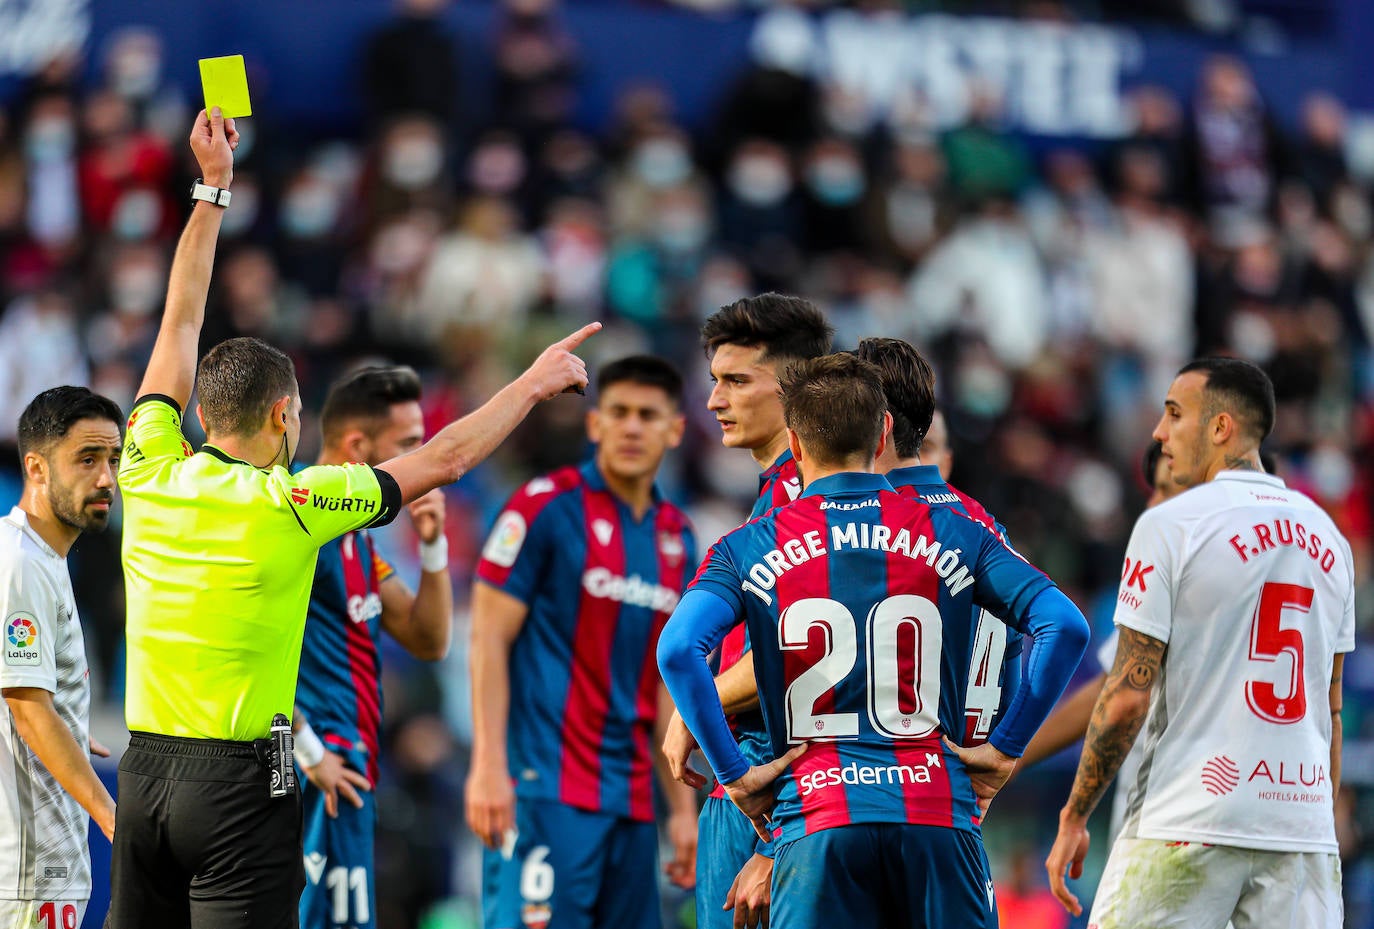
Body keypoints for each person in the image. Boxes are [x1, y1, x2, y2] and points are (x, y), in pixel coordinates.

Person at [107, 109, 597, 929]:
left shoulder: (147, 461)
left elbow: (180, 320)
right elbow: (441, 460)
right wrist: (532, 384)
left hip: (144, 772)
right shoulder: (294, 503)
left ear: (202, 410)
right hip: (238, 782)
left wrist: (211, 191)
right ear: (282, 417)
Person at [659, 353, 1089, 929]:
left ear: (795, 441)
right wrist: (1006, 749)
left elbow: (677, 650)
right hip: (939, 811)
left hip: (816, 823)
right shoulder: (960, 529)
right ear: (884, 429)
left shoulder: (748, 545)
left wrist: (734, 775)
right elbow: (1065, 627)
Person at [1046, 358, 1353, 929]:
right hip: (1301, 827)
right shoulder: (1331, 539)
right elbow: (1330, 709)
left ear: (1220, 428)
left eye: (1174, 413)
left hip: (1188, 816)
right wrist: (1318, 822)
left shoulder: (1171, 524)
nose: (1161, 433)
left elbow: (1129, 694)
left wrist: (1074, 815)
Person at [466, 355, 699, 929]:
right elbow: (487, 637)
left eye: (648, 415)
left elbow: (667, 679)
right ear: (594, 425)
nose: (632, 427)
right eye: (618, 412)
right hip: (544, 791)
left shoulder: (678, 536)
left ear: (675, 429)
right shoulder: (544, 506)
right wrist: (488, 765)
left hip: (632, 803)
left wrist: (680, 809)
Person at [660, 293, 833, 929]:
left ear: (795, 391)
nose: (713, 401)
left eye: (736, 381)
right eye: (714, 381)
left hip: (775, 772)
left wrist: (692, 708)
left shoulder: (802, 500)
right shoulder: (779, 493)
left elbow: (806, 645)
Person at [295, 365, 454, 929]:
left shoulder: (355, 537)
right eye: (410, 445)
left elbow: (428, 639)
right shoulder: (295, 520)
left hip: (351, 770)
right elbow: (239, 640)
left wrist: (433, 550)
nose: (423, 461)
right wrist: (308, 749)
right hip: (313, 775)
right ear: (358, 447)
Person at [855, 336, 1025, 750]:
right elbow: (1019, 664)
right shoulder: (986, 528)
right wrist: (1006, 750)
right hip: (959, 792)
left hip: (873, 778)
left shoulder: (866, 524)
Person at [0, 387, 121, 928]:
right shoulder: (20, 564)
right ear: (37, 468)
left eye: (114, 460)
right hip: (30, 874)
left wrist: (65, 720)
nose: (106, 479)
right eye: (87, 459)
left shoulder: (43, 558)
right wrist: (114, 819)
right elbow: (27, 708)